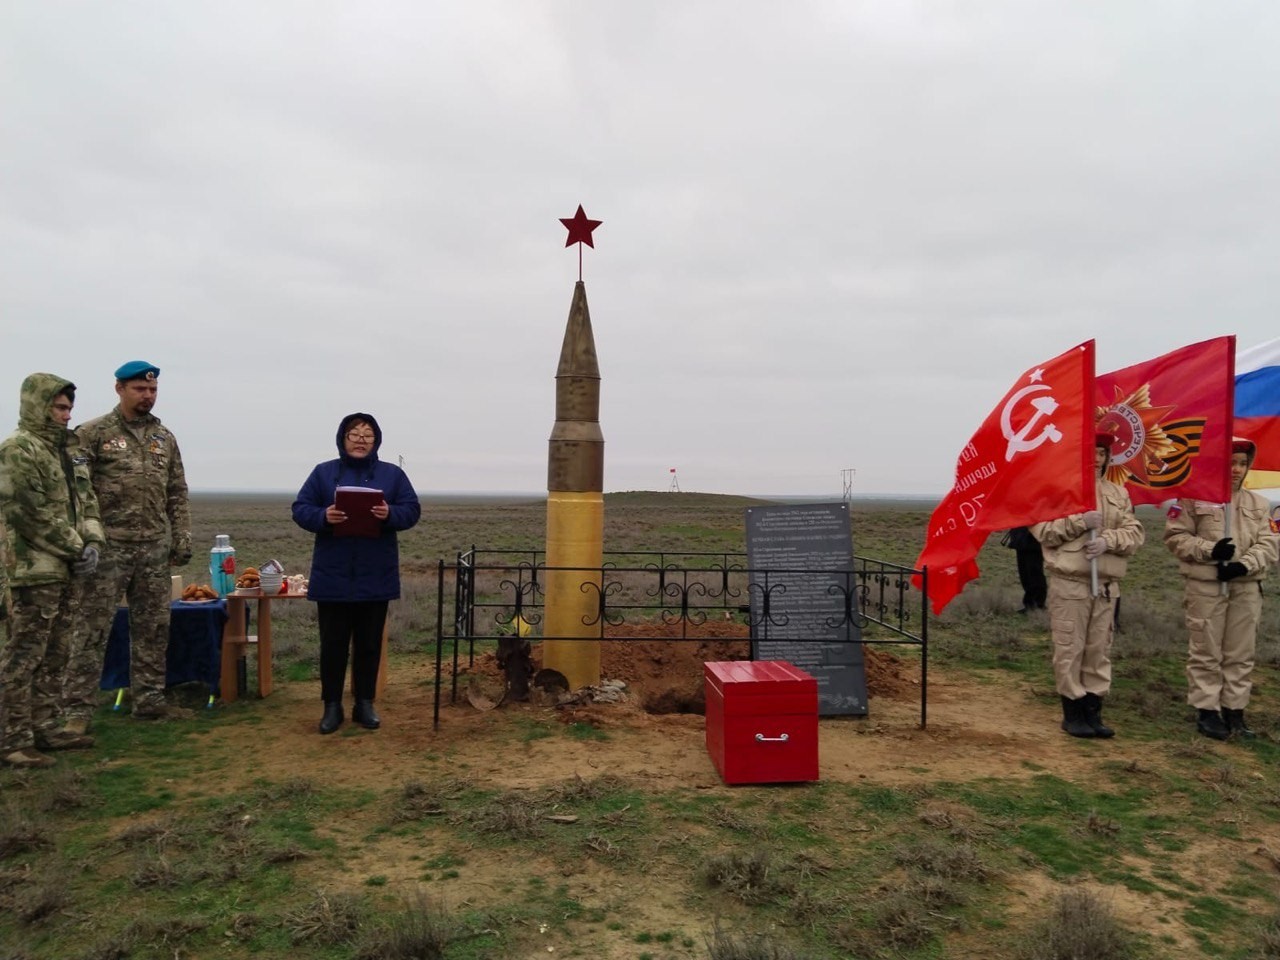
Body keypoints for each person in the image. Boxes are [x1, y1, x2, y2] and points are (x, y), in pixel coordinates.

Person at [75, 361, 192, 723]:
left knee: (153, 628)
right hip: (108, 547)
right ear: (119, 389)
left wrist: (181, 535)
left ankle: (150, 702)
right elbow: (77, 491)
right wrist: (85, 539)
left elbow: (176, 490)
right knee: (91, 629)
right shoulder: (92, 434)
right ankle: (74, 712)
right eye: (140, 389)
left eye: (152, 390)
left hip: (154, 547)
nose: (148, 396)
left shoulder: (164, 438)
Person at [0, 374, 105, 767]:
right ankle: (12, 739)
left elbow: (88, 502)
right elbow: (28, 512)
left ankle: (45, 726)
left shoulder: (69, 452)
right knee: (24, 655)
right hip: (34, 570)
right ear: (36, 406)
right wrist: (77, 546)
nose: (66, 415)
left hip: (70, 569)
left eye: (68, 408)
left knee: (57, 652)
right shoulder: (17, 450)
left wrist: (94, 542)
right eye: (58, 408)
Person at [292, 413, 420, 735]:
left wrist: (390, 513)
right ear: (342, 438)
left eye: (368, 434)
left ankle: (365, 704)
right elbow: (300, 509)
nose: (361, 439)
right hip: (333, 575)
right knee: (332, 645)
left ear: (376, 441)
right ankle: (331, 707)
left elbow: (412, 510)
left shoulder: (393, 476)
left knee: (368, 645)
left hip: (375, 575)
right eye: (354, 433)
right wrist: (324, 516)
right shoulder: (323, 474)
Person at [1031, 432, 1145, 738]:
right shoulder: (1057, 490)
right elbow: (1043, 531)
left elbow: (1135, 533)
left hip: (1107, 585)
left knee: (1099, 649)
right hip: (1070, 583)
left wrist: (1109, 540)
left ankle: (1093, 711)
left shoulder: (1118, 493)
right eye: (1089, 453)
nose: (1095, 459)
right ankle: (1073, 713)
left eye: (1101, 453)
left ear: (1107, 458)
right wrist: (1080, 522)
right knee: (1070, 647)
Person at [1164, 437, 1279, 740]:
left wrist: (1244, 564)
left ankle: (1234, 711)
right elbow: (1176, 538)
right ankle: (1207, 711)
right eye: (1231, 462)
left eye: (1242, 463)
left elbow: (1270, 542)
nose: (1237, 469)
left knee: (1241, 653)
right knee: (1207, 650)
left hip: (1246, 587)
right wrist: (1211, 550)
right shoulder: (1192, 497)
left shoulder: (1259, 503)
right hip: (1206, 587)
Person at [1004, 526, 1047, 612]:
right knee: (1024, 573)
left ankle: (1038, 604)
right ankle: (1030, 603)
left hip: (1033, 539)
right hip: (1021, 537)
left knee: (1034, 572)